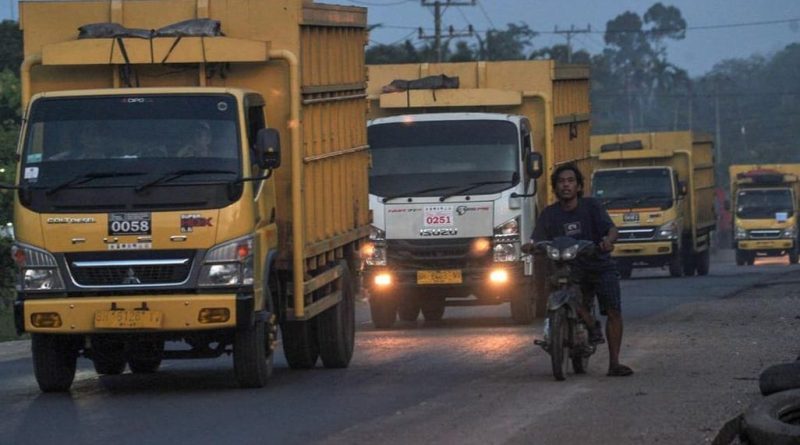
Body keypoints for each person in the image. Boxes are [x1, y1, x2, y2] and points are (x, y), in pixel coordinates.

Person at [531, 163, 634, 377]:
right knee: (562, 291)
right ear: (555, 187)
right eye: (561, 182)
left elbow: (611, 229)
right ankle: (587, 325)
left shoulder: (591, 207)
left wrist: (607, 241)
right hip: (568, 268)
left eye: (570, 181)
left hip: (599, 265)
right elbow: (537, 239)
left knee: (613, 311)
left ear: (578, 186)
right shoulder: (549, 214)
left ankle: (614, 362)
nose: (566, 185)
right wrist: (531, 246)